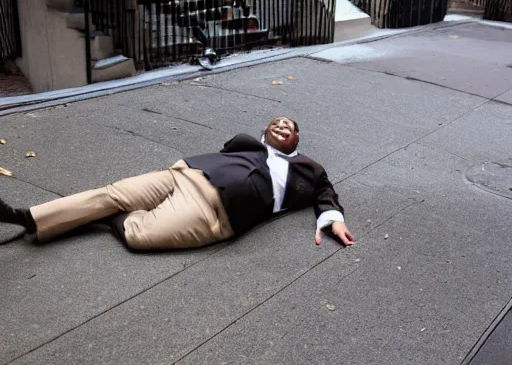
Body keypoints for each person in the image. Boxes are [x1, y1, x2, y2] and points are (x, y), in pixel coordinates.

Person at [0, 117, 355, 250]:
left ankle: (108, 218)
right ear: (265, 131)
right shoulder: (245, 142)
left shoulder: (310, 168)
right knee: (110, 193)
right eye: (276, 123)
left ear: (297, 141)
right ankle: (25, 217)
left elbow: (326, 194)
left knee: (139, 237)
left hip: (217, 213)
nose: (282, 127)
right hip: (185, 175)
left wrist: (333, 219)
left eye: (290, 128)